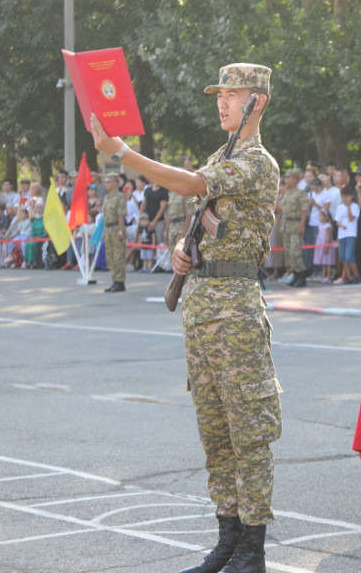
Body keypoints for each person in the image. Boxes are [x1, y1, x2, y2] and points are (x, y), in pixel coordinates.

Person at [90, 62, 282, 573]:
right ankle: (228, 536)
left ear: (256, 102)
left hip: (235, 312)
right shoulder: (223, 153)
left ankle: (252, 549)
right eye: (219, 93)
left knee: (248, 432)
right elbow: (203, 220)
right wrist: (181, 247)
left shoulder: (257, 162)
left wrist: (123, 154)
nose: (222, 102)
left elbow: (193, 185)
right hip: (202, 308)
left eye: (232, 94)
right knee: (215, 433)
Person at [280, 168, 311, 287]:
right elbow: (284, 211)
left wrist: (302, 225)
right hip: (287, 225)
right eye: (286, 178)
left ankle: (302, 275)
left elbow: (304, 210)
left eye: (289, 178)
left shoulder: (300, 193)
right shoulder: (286, 193)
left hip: (296, 224)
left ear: (295, 179)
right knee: (288, 253)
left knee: (295, 252)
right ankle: (295, 275)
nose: (286, 180)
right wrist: (282, 226)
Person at [102, 172, 127, 292]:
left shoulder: (120, 197)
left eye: (108, 182)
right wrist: (104, 232)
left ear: (115, 183)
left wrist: (121, 231)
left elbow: (121, 215)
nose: (106, 184)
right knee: (110, 256)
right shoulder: (107, 198)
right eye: (105, 182)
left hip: (117, 228)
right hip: (109, 228)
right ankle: (114, 280)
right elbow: (105, 217)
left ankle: (120, 281)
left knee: (118, 256)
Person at [334, 185, 360, 284]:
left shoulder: (355, 206)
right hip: (342, 235)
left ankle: (356, 276)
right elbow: (337, 221)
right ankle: (348, 276)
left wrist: (348, 206)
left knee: (349, 256)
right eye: (343, 196)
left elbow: (351, 218)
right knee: (343, 257)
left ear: (351, 196)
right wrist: (341, 225)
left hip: (351, 234)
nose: (344, 198)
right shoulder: (340, 207)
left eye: (346, 196)